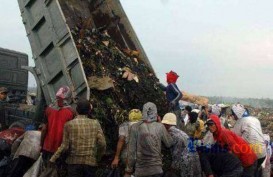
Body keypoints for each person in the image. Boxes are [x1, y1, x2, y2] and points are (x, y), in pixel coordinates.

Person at [50, 99, 106, 177]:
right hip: (90, 163)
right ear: (89, 111)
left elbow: (64, 146)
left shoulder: (69, 125)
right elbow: (102, 143)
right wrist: (98, 157)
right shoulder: (95, 123)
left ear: (76, 110)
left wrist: (53, 158)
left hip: (73, 163)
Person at [126, 102, 173, 177]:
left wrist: (128, 170)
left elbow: (131, 152)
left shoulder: (135, 127)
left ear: (143, 112)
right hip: (156, 169)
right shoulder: (160, 127)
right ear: (155, 113)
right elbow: (169, 143)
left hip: (141, 171)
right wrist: (161, 124)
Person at [41, 86, 75, 168]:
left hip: (47, 147)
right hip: (61, 149)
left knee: (47, 170)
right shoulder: (72, 112)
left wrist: (41, 144)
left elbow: (44, 129)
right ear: (69, 97)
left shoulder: (48, 109)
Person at [161, 113, 202, 177]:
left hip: (186, 161)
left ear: (166, 125)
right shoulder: (179, 132)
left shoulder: (172, 135)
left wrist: (171, 168)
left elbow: (176, 154)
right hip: (194, 158)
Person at [232, 104, 266, 177]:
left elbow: (234, 138)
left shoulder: (239, 122)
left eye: (233, 114)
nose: (232, 116)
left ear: (236, 114)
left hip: (252, 154)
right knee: (255, 170)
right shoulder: (255, 119)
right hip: (263, 153)